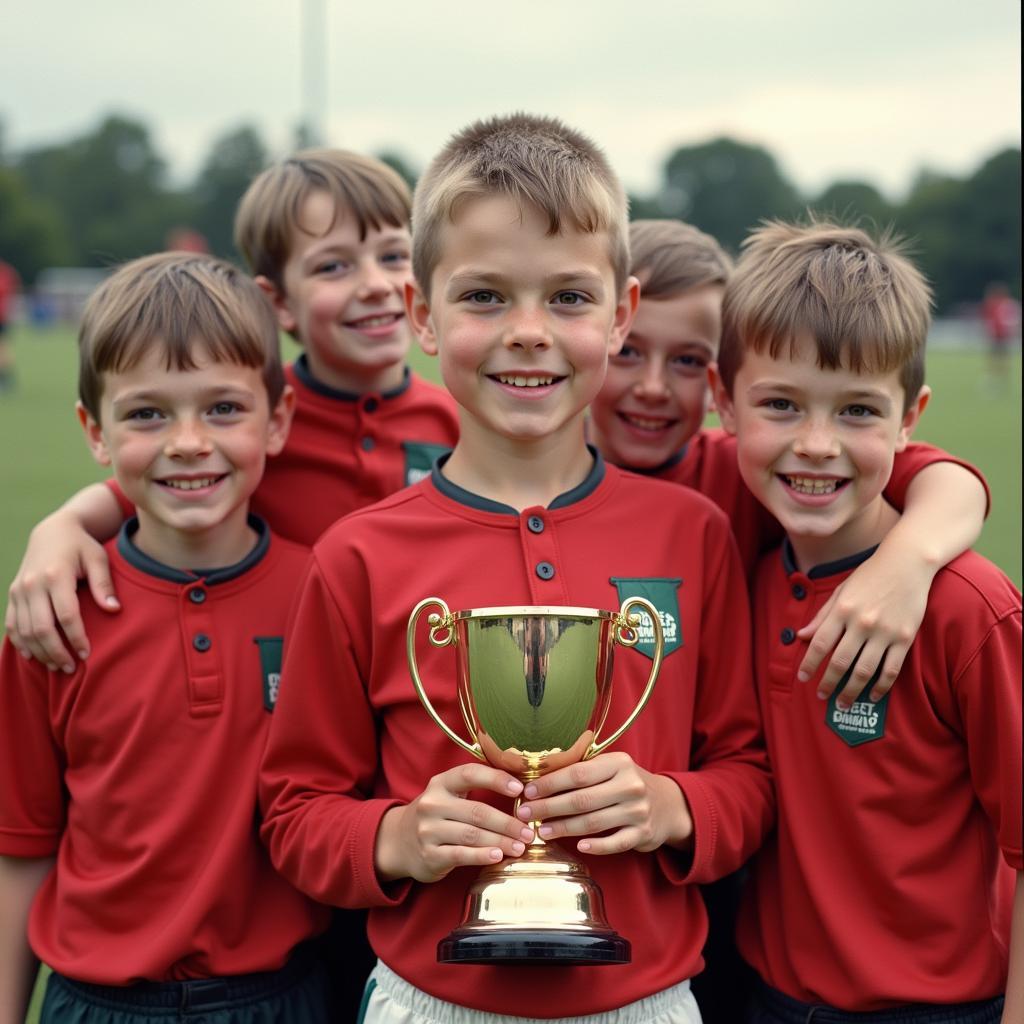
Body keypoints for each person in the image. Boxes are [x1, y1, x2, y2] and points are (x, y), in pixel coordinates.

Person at [258, 113, 774, 1024]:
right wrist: (396, 835)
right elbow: (295, 811)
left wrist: (671, 806)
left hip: (649, 1000)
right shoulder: (359, 555)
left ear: (621, 314)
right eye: (485, 297)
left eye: (569, 299)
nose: (529, 332)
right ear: (422, 313)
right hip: (426, 1000)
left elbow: (749, 777)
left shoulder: (692, 534)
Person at [3, 148, 460, 1020]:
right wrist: (61, 527)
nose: (371, 284)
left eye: (392, 255)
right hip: (128, 972)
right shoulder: (247, 425)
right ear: (278, 301)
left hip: (362, 891)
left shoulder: (458, 425)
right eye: (333, 263)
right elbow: (153, 480)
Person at [588, 219, 991, 1023]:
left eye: (689, 360)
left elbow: (915, 464)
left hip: (848, 953)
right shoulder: (517, 483)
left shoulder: (745, 480)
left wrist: (908, 561)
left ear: (717, 390)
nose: (653, 387)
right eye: (628, 350)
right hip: (723, 950)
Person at [0, 252, 332, 1024]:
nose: (187, 442)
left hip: (284, 998)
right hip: (96, 1006)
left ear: (276, 422)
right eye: (148, 413)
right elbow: (21, 843)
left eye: (223, 409)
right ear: (96, 431)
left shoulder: (325, 595)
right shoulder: (51, 615)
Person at [710, 221, 1022, 1024]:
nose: (817, 445)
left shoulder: (966, 609)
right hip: (764, 998)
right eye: (780, 404)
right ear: (724, 403)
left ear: (910, 415)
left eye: (857, 411)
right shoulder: (737, 571)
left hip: (940, 1010)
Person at [0, 258, 20, 392]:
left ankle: (6, 380)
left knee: (3, 349)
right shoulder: (7, 271)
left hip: (1, 317)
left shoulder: (5, 272)